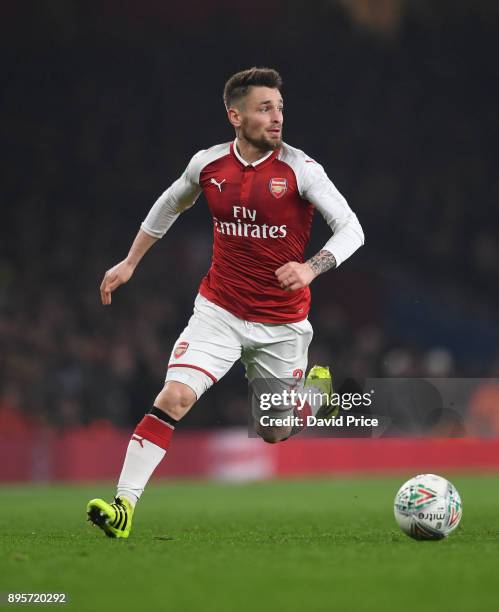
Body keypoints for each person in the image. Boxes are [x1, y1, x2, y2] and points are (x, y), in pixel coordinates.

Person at [87, 67, 364, 538]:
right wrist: (131, 262)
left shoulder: (302, 169)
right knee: (174, 397)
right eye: (264, 108)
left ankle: (317, 398)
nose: (276, 118)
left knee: (274, 432)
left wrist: (310, 268)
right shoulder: (208, 165)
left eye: (279, 108)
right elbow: (169, 204)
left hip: (281, 323)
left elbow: (352, 229)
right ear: (234, 115)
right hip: (219, 311)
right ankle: (123, 507)